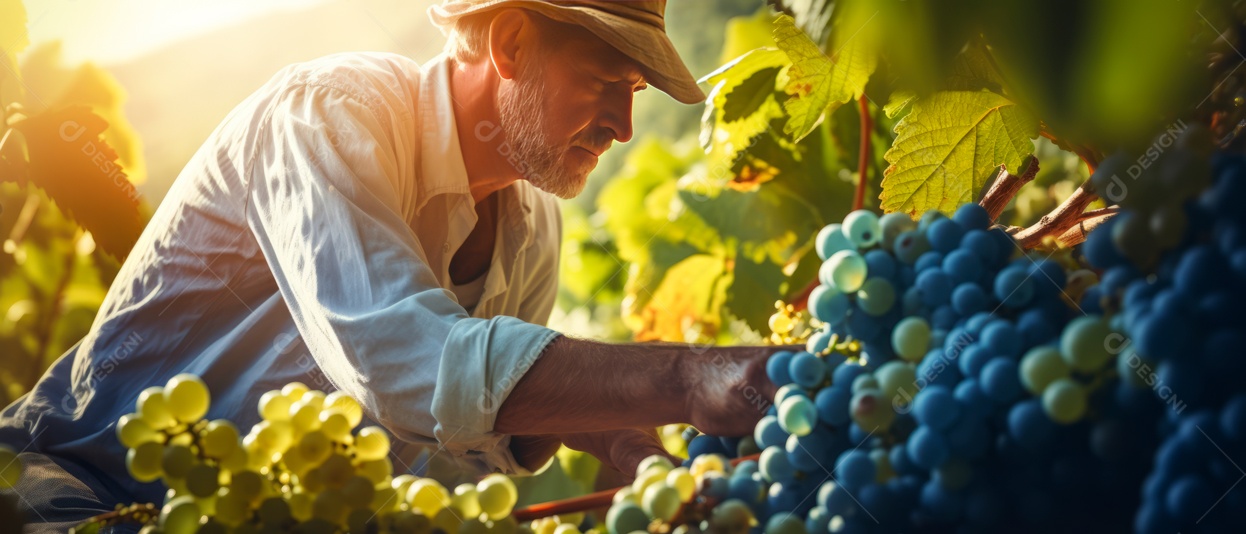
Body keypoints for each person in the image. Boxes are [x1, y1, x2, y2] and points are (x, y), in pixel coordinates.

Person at [0, 0, 781, 529]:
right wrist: (685, 378)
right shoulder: (333, 111)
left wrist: (622, 443)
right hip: (70, 494)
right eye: (606, 82)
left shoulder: (533, 228)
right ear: (510, 44)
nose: (624, 125)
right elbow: (404, 361)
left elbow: (488, 434)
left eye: (635, 89)